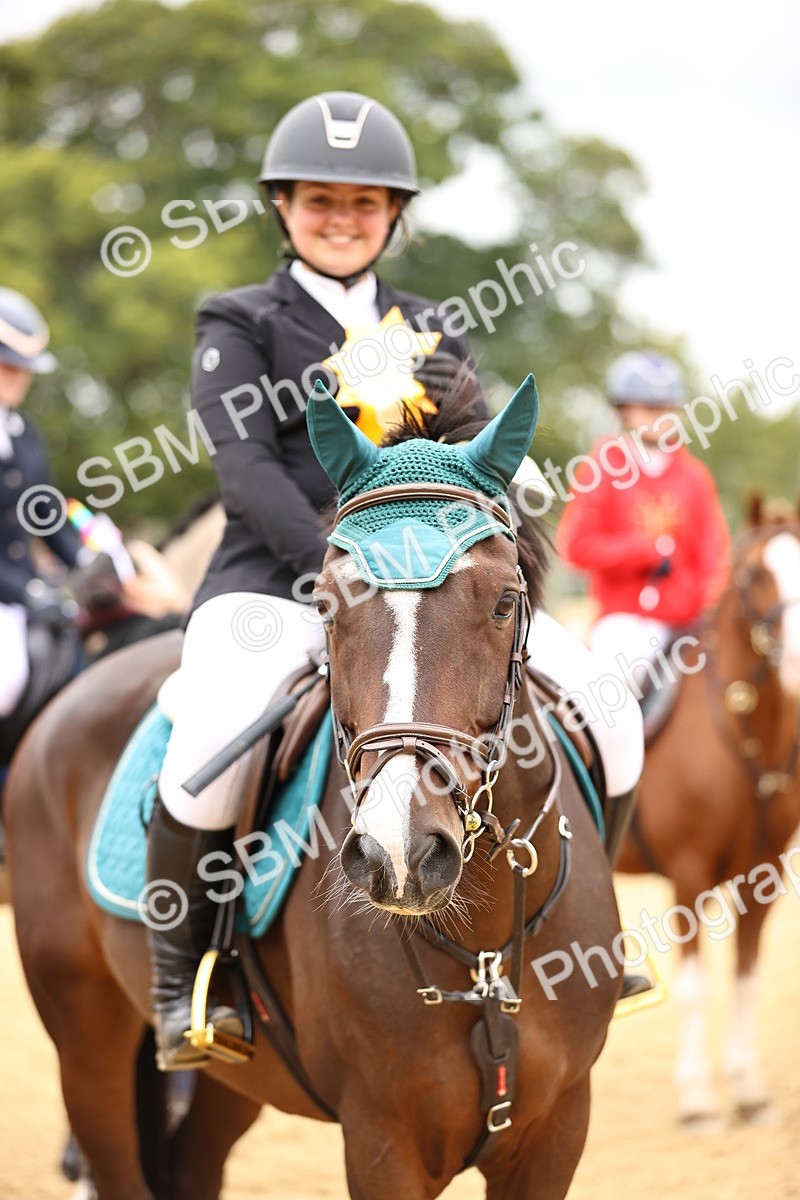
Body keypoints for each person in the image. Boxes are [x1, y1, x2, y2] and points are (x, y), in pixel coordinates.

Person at [148, 91, 646, 1070]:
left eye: (364, 204)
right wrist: (344, 576)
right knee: (209, 731)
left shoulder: (428, 324)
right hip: (281, 580)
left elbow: (472, 453)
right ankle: (190, 976)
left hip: (435, 593)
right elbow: (245, 471)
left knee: (608, 707)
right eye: (320, 201)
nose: (342, 219)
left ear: (394, 217)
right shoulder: (238, 320)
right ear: (282, 207)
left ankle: (588, 929)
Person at [558, 349, 730, 708]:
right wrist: (644, 553)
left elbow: (714, 553)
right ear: (624, 411)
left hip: (689, 621)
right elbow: (576, 546)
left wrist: (710, 603)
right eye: (650, 409)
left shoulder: (694, 476)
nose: (661, 418)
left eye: (668, 409)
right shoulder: (602, 466)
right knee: (613, 690)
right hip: (625, 623)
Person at [0, 288, 89, 725]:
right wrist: (28, 592)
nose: (18, 377)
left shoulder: (23, 431)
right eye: (7, 366)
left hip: (26, 597)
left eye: (23, 369)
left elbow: (47, 514)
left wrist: (86, 560)